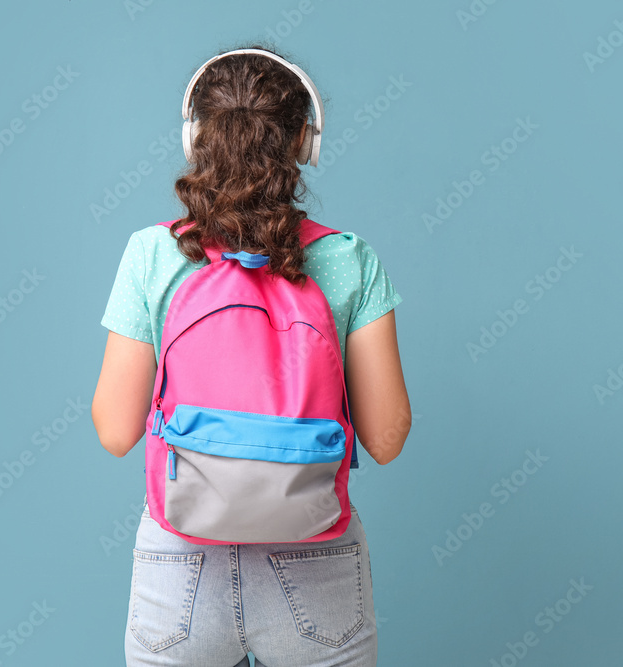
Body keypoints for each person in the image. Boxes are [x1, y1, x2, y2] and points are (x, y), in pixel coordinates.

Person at [91, 44, 412, 666]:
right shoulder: (348, 258)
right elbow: (387, 437)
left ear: (195, 138)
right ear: (304, 142)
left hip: (180, 571)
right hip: (315, 564)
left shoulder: (152, 255)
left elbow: (114, 430)